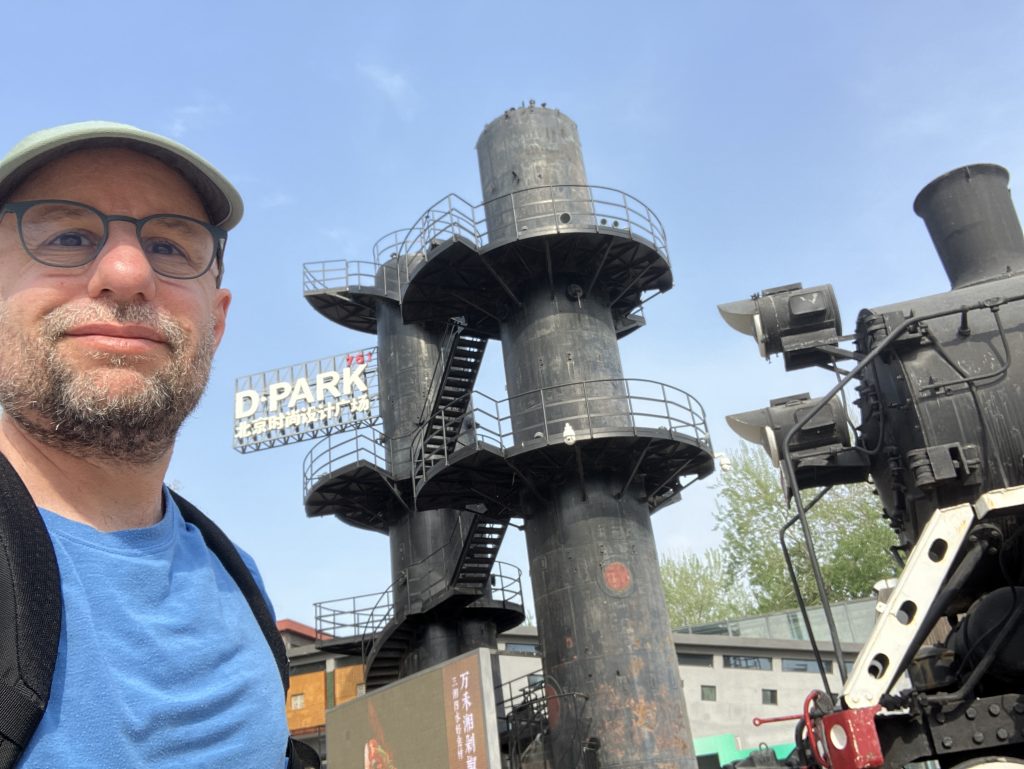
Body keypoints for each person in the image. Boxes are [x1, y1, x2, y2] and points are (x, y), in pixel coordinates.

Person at [0, 122, 291, 767]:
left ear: (215, 322)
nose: (129, 273)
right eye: (67, 236)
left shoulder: (239, 581)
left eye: (168, 245)